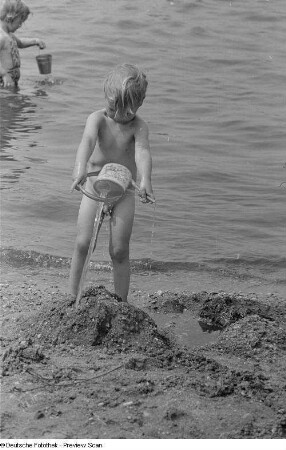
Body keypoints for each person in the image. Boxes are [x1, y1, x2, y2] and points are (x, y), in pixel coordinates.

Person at [69, 63, 155, 303]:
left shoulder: (138, 126)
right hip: (94, 187)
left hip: (124, 191)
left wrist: (145, 179)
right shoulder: (97, 119)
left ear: (138, 105)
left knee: (119, 250)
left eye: (125, 111)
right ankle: (72, 296)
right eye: (111, 106)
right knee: (83, 243)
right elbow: (86, 141)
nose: (117, 115)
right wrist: (79, 170)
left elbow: (142, 152)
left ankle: (121, 302)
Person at [0, 0, 46, 88]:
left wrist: (35, 41)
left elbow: (20, 43)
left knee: (14, 100)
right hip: (3, 82)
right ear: (11, 17)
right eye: (20, 21)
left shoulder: (9, 35)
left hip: (11, 83)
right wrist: (3, 73)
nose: (20, 25)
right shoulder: (1, 37)